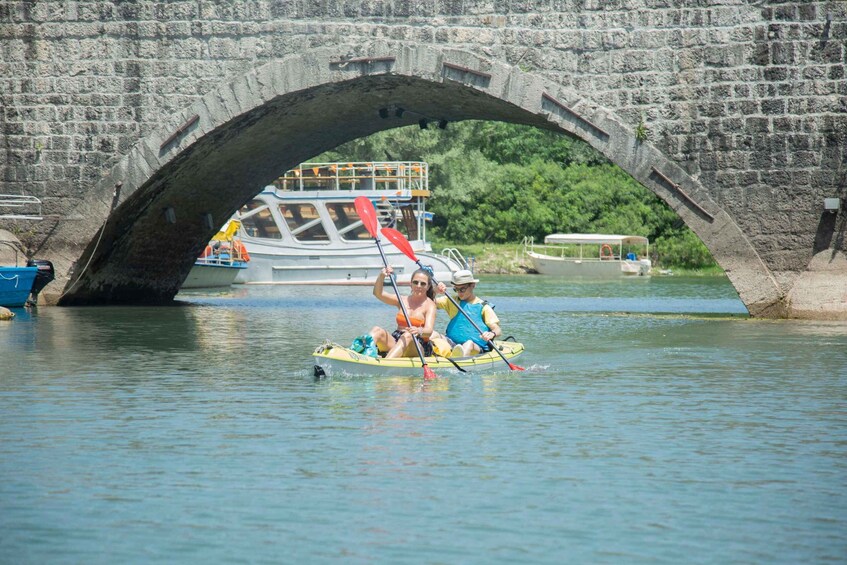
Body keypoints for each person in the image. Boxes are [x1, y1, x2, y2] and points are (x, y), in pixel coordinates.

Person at [351, 266, 436, 358]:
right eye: (415, 282)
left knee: (408, 335)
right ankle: (359, 355)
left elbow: (429, 331)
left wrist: (418, 330)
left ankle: (385, 364)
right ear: (410, 284)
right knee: (377, 330)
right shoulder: (402, 300)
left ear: (428, 286)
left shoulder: (430, 305)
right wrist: (382, 276)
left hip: (419, 344)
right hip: (397, 339)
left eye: (423, 284)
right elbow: (378, 294)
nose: (418, 286)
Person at [433, 270, 501, 358]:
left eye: (462, 289)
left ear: (473, 286)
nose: (459, 292)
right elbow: (428, 303)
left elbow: (497, 329)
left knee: (469, 344)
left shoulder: (484, 307)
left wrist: (492, 334)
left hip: (476, 347)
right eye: (456, 289)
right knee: (432, 334)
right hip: (452, 343)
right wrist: (435, 290)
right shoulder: (451, 300)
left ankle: (458, 364)